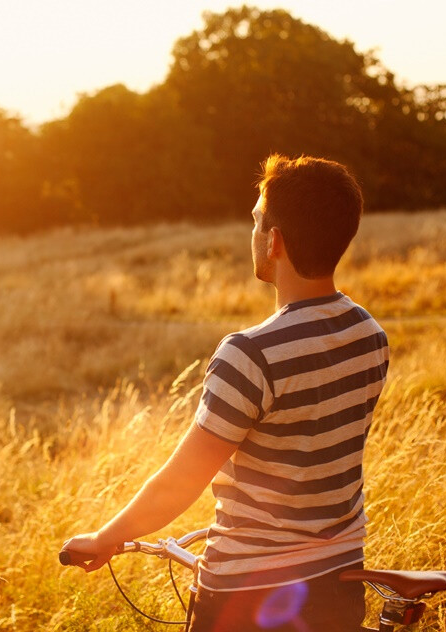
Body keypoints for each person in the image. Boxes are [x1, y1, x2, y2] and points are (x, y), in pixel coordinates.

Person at [61, 154, 389, 631]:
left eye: (256, 222)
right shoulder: (369, 334)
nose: (252, 233)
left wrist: (107, 538)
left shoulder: (250, 354)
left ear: (274, 242)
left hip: (248, 595)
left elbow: (181, 481)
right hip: (340, 581)